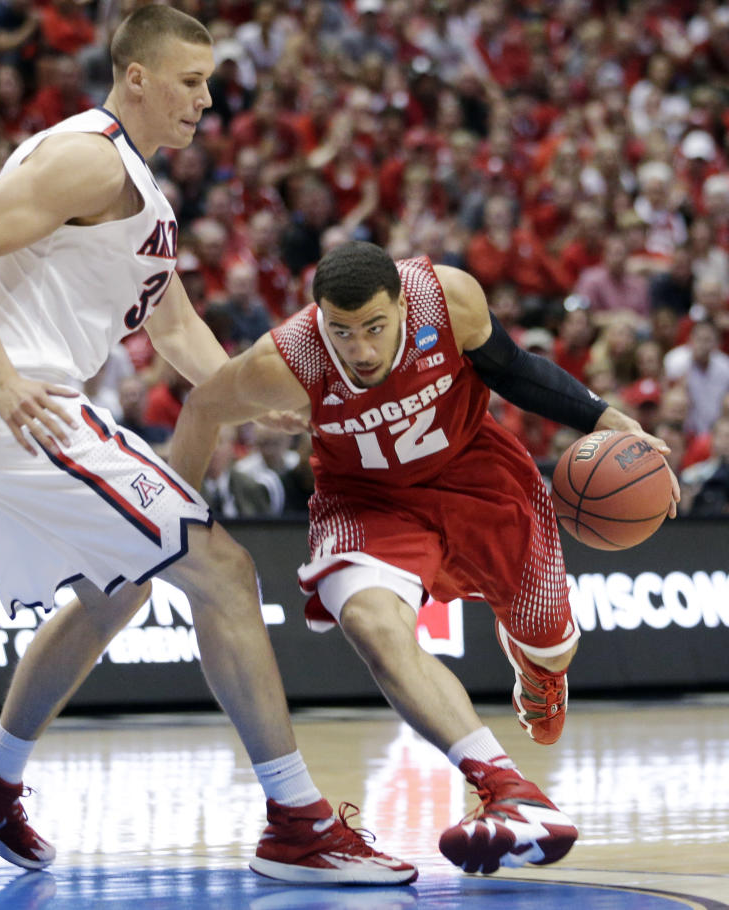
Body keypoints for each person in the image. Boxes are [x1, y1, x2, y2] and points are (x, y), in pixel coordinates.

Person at [0, 8, 414, 886]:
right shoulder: (88, 155)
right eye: (190, 81)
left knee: (121, 594)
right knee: (221, 571)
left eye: (209, 82)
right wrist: (1, 380)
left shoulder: (140, 190)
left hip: (12, 402)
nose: (207, 99)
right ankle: (298, 822)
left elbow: (178, 328)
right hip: (12, 399)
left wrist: (259, 404)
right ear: (137, 76)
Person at [168, 241, 680, 875]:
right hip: (367, 501)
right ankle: (506, 789)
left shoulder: (450, 297)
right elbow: (203, 405)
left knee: (551, 643)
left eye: (374, 327)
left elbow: (513, 369)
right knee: (369, 621)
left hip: (478, 478)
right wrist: (166, 527)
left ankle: (540, 672)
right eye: (342, 330)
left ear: (404, 305)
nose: (358, 348)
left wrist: (605, 417)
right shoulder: (285, 360)